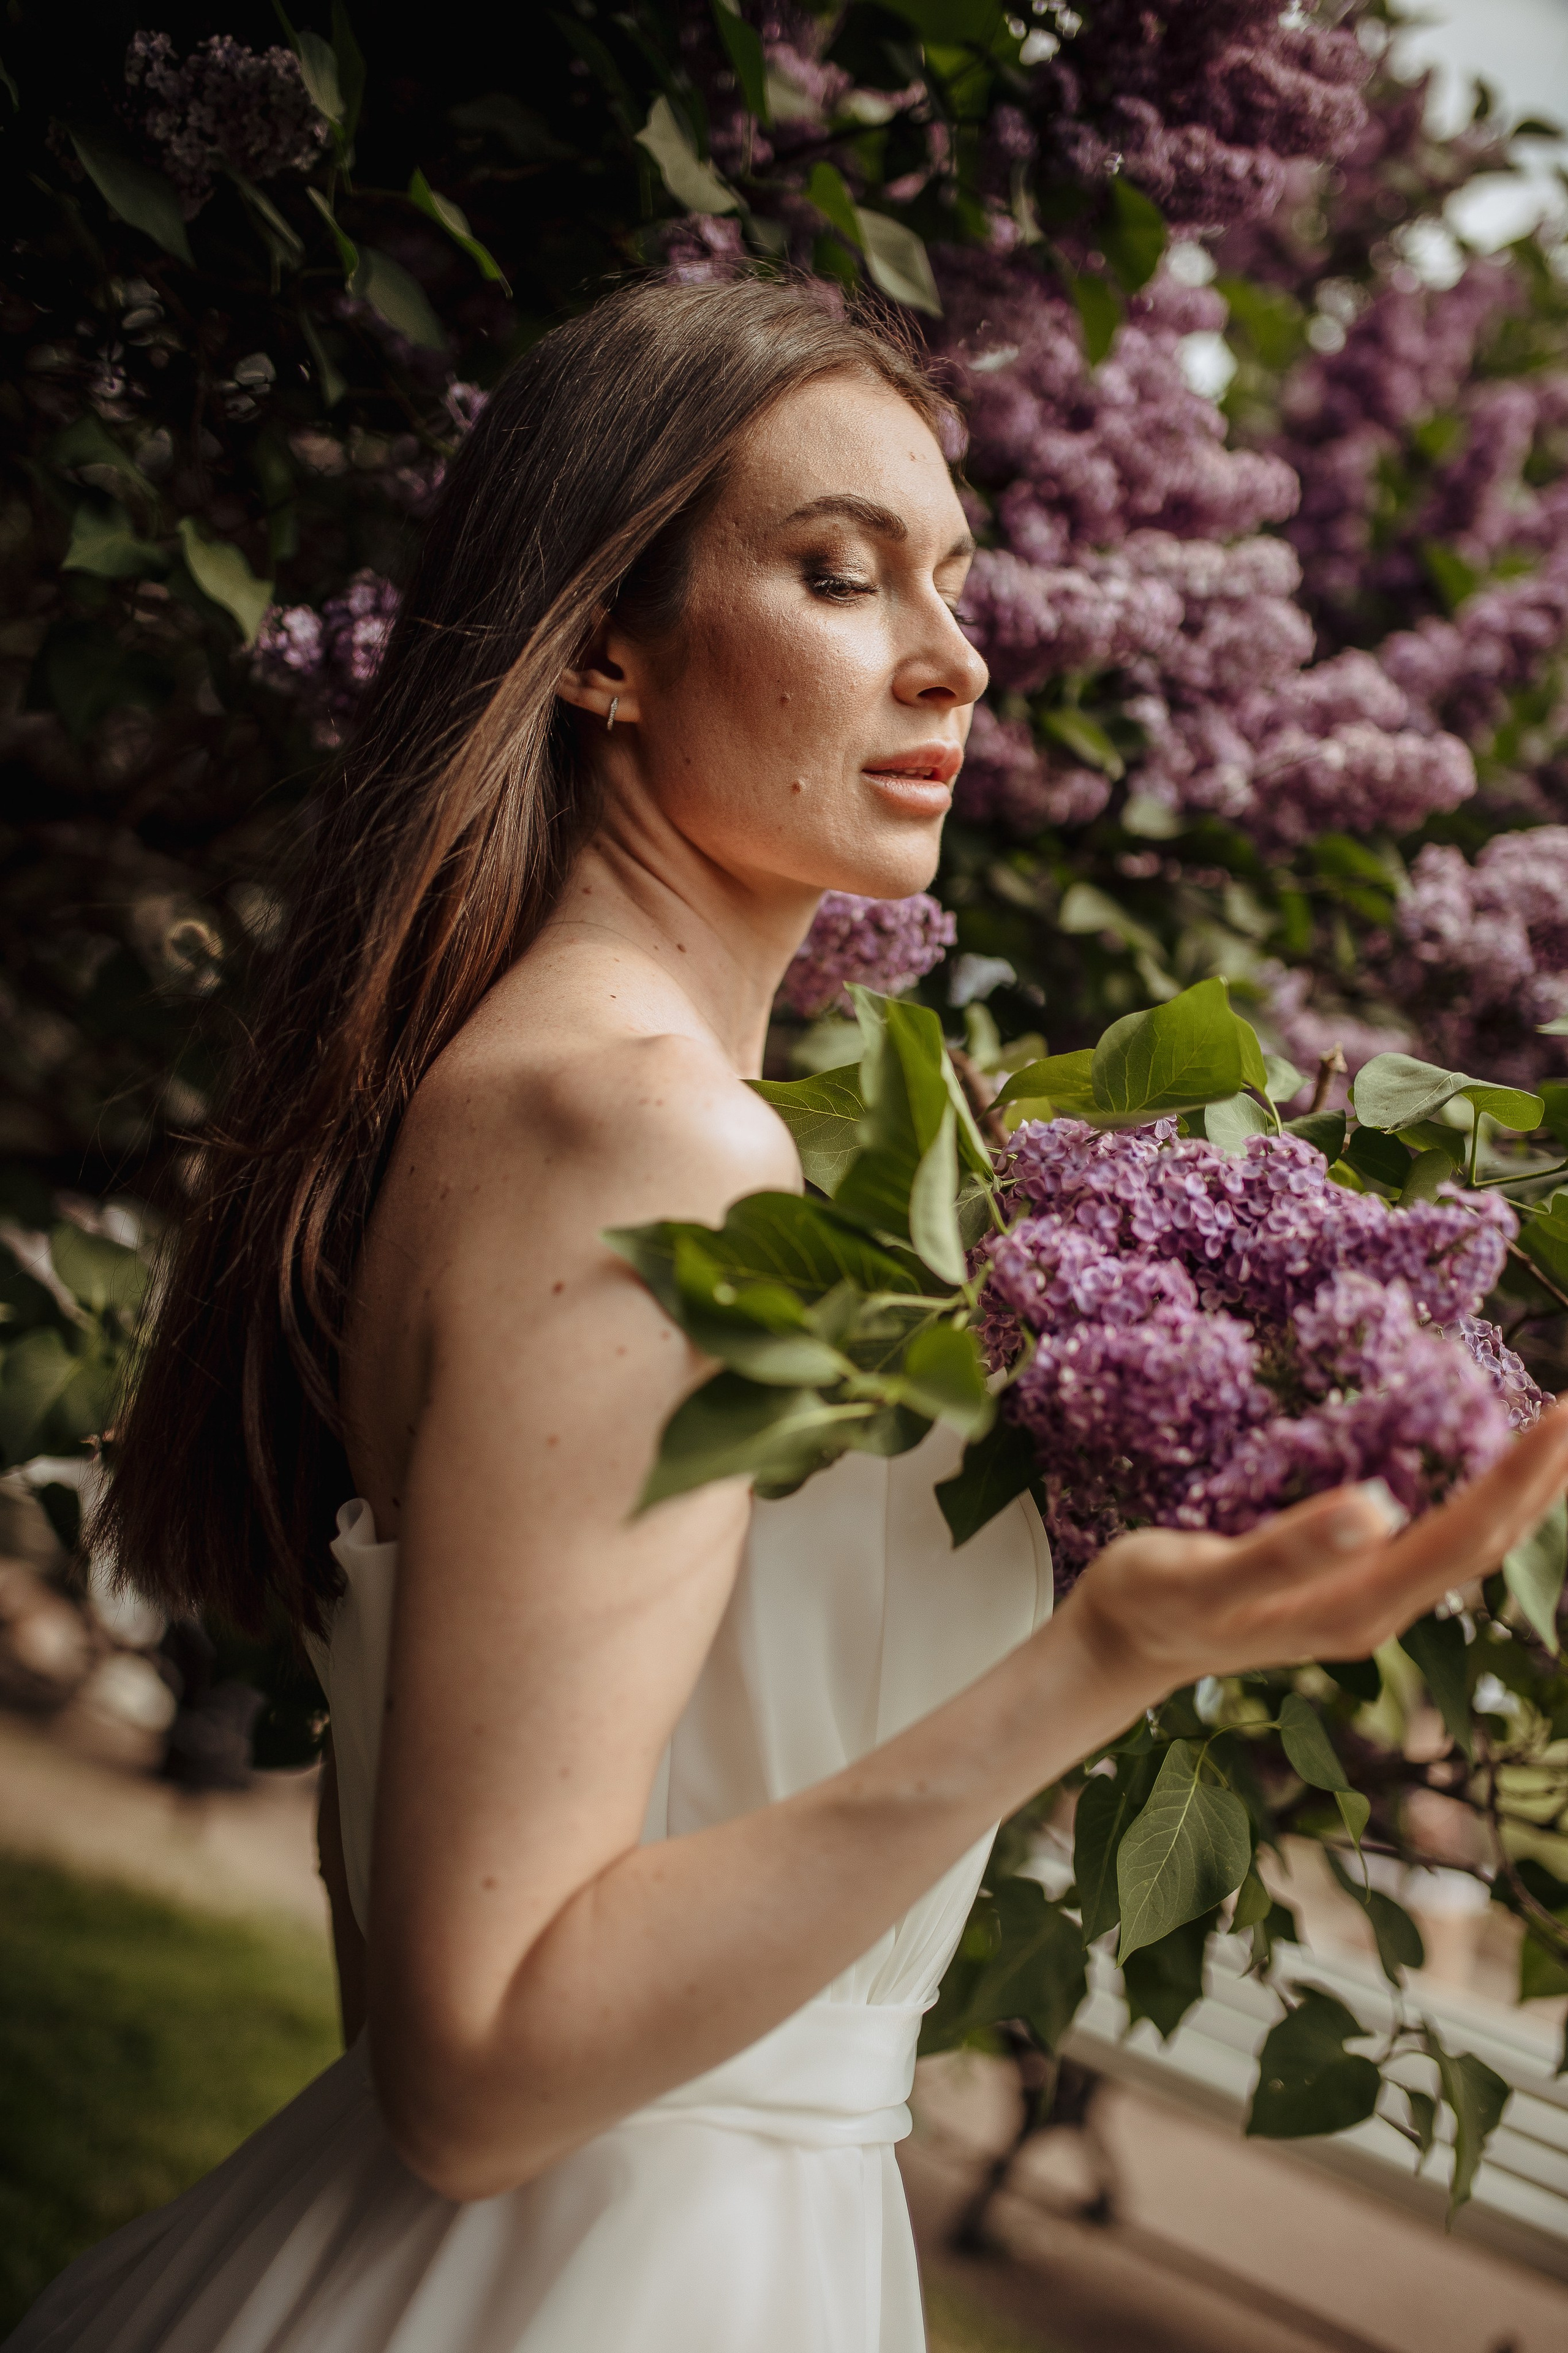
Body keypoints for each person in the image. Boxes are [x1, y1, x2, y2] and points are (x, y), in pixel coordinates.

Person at [13, 275, 1568, 2353]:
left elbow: (394, 1941)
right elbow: (472, 2071)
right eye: (838, 576)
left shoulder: (552, 1091)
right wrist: (1113, 1648)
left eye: (952, 575)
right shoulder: (641, 1136)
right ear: (598, 649)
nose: (954, 653)